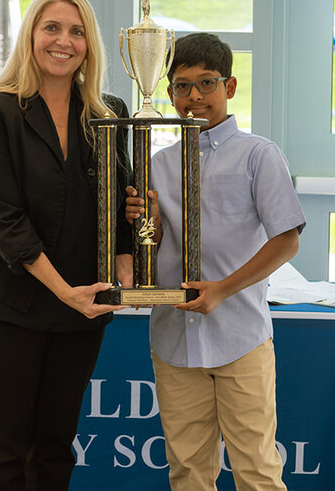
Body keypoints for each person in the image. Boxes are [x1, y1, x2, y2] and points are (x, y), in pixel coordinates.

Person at [0, 0, 133, 491]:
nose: (64, 41)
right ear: (30, 35)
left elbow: (118, 204)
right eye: (51, 28)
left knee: (55, 449)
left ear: (89, 45)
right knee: (5, 451)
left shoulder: (108, 110)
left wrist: (131, 244)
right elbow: (2, 218)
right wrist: (64, 290)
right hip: (2, 299)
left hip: (79, 302)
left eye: (77, 32)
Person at [126, 32, 306, 490]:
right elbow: (156, 240)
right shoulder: (156, 163)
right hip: (173, 340)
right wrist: (144, 221)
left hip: (240, 337)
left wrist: (221, 290)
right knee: (188, 473)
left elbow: (287, 241)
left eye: (206, 84)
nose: (194, 97)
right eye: (182, 86)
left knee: (257, 472)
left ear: (230, 87)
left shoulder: (259, 156)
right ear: (168, 94)